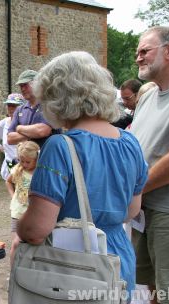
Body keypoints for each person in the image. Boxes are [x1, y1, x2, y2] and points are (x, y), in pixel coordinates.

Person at [16, 51, 148, 299]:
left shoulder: (60, 147)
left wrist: (20, 228)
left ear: (56, 98)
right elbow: (131, 210)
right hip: (117, 258)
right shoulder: (131, 142)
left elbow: (36, 230)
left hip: (73, 265)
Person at [130, 26, 169, 303]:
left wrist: (132, 189)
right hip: (142, 212)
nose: (138, 57)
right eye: (137, 52)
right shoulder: (147, 96)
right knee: (143, 288)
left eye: (144, 51)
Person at [5, 141, 39, 265]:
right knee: (16, 243)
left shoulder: (40, 173)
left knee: (31, 244)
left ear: (36, 159)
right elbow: (8, 182)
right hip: (17, 212)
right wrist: (13, 195)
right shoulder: (18, 170)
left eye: (27, 162)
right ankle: (14, 271)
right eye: (21, 161)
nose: (24, 164)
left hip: (32, 214)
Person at [7, 69, 53, 147]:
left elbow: (43, 131)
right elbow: (10, 138)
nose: (22, 89)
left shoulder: (49, 105)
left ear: (37, 84)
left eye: (25, 85)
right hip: (26, 159)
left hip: (48, 157)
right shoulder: (19, 110)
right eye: (21, 86)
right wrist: (33, 133)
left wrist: (19, 128)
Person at [0, 93, 24, 180]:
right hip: (10, 167)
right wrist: (3, 149)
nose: (10, 108)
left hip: (28, 168)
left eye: (14, 106)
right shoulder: (4, 123)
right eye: (9, 105)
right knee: (13, 191)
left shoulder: (28, 123)